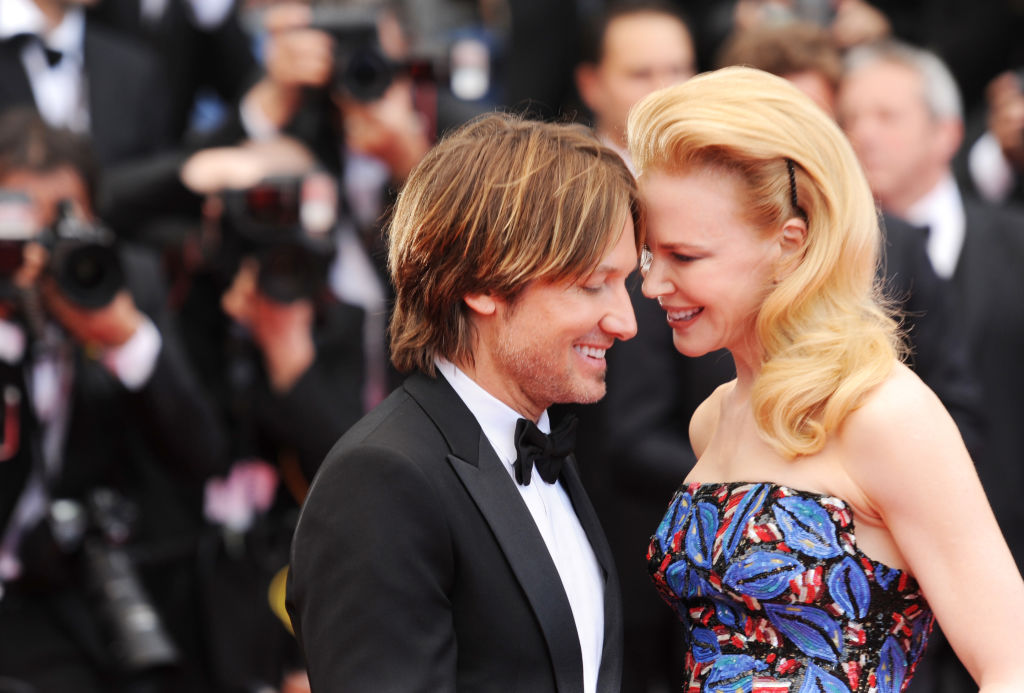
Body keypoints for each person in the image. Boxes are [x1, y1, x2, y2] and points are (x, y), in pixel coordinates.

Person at [629, 66, 1024, 691]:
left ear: (790, 243)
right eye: (650, 255)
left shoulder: (883, 413)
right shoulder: (714, 418)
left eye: (685, 256)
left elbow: (1013, 659)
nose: (652, 285)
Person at [287, 112, 642, 692]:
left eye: (625, 282)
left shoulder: (546, 446)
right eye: (591, 284)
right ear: (482, 283)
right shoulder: (380, 480)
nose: (625, 322)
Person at [837, 39, 1024, 692]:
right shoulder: (821, 273)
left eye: (886, 115)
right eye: (850, 117)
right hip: (874, 612)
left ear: (948, 132)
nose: (862, 134)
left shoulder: (1017, 242)